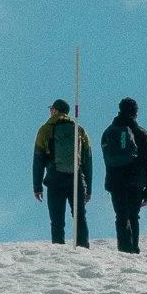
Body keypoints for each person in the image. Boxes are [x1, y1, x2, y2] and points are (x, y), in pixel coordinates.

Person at [32, 98, 93, 247]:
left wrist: (37, 187)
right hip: (76, 178)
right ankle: (83, 247)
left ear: (55, 110)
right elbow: (88, 160)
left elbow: (38, 159)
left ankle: (59, 250)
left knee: (57, 219)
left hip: (55, 178)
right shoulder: (79, 130)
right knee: (79, 216)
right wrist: (88, 188)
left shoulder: (45, 129)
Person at [100, 98, 147, 254]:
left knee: (120, 215)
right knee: (133, 215)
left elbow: (107, 159)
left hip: (115, 181)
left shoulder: (108, 133)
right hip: (136, 182)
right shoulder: (141, 133)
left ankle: (124, 249)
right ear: (135, 114)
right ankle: (133, 248)